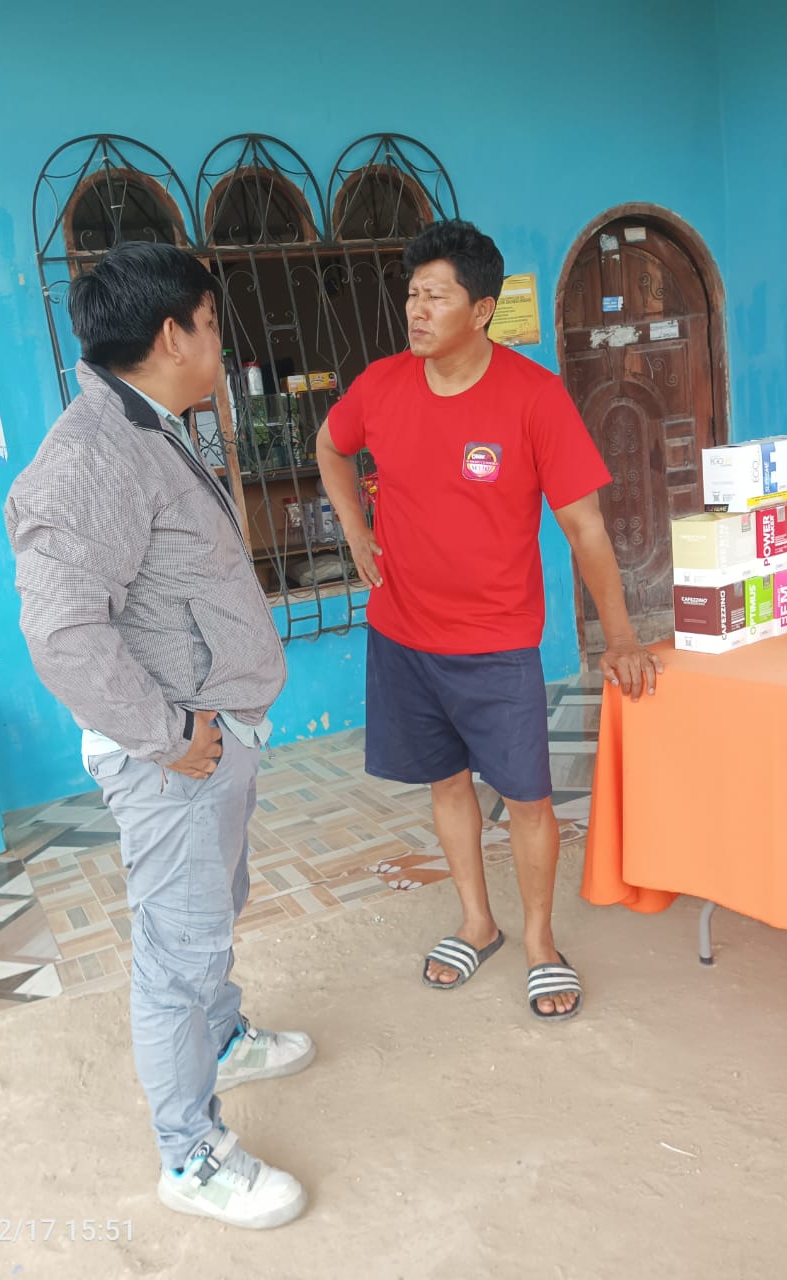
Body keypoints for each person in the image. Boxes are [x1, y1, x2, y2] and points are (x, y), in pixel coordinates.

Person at [4, 242, 313, 1230]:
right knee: (178, 954)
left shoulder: (145, 425)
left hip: (210, 739)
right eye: (213, 324)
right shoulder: (90, 456)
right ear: (173, 333)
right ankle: (190, 1155)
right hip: (175, 755)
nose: (221, 342)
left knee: (212, 912)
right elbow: (62, 633)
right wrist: (169, 733)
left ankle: (221, 1040)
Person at [317, 219, 663, 1020]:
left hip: (496, 643)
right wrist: (357, 532)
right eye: (412, 294)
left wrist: (619, 636)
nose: (417, 310)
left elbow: (584, 526)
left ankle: (541, 941)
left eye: (435, 296)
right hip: (403, 634)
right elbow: (331, 447)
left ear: (481, 310)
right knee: (445, 782)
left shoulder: (533, 397)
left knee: (528, 796)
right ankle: (478, 923)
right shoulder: (381, 385)